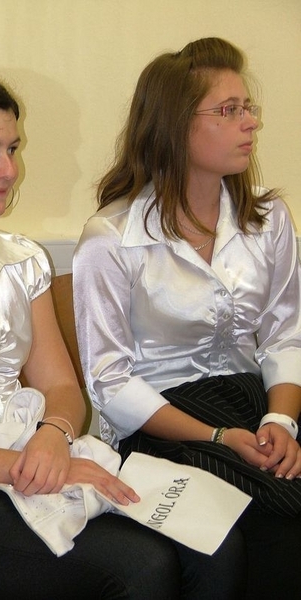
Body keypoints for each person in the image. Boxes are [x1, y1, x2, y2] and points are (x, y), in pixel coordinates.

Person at [0, 66, 245, 600]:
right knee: (140, 571)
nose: (9, 170)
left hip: (32, 460)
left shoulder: (23, 262)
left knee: (216, 545)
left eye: (11, 149)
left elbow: (61, 386)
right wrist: (32, 463)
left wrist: (53, 435)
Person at [73, 37, 301, 600]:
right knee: (273, 523)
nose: (250, 122)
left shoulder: (268, 218)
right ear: (175, 125)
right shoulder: (112, 239)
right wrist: (218, 436)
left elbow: (284, 334)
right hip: (166, 423)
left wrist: (282, 420)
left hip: (255, 401)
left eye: (248, 107)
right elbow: (110, 383)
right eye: (229, 110)